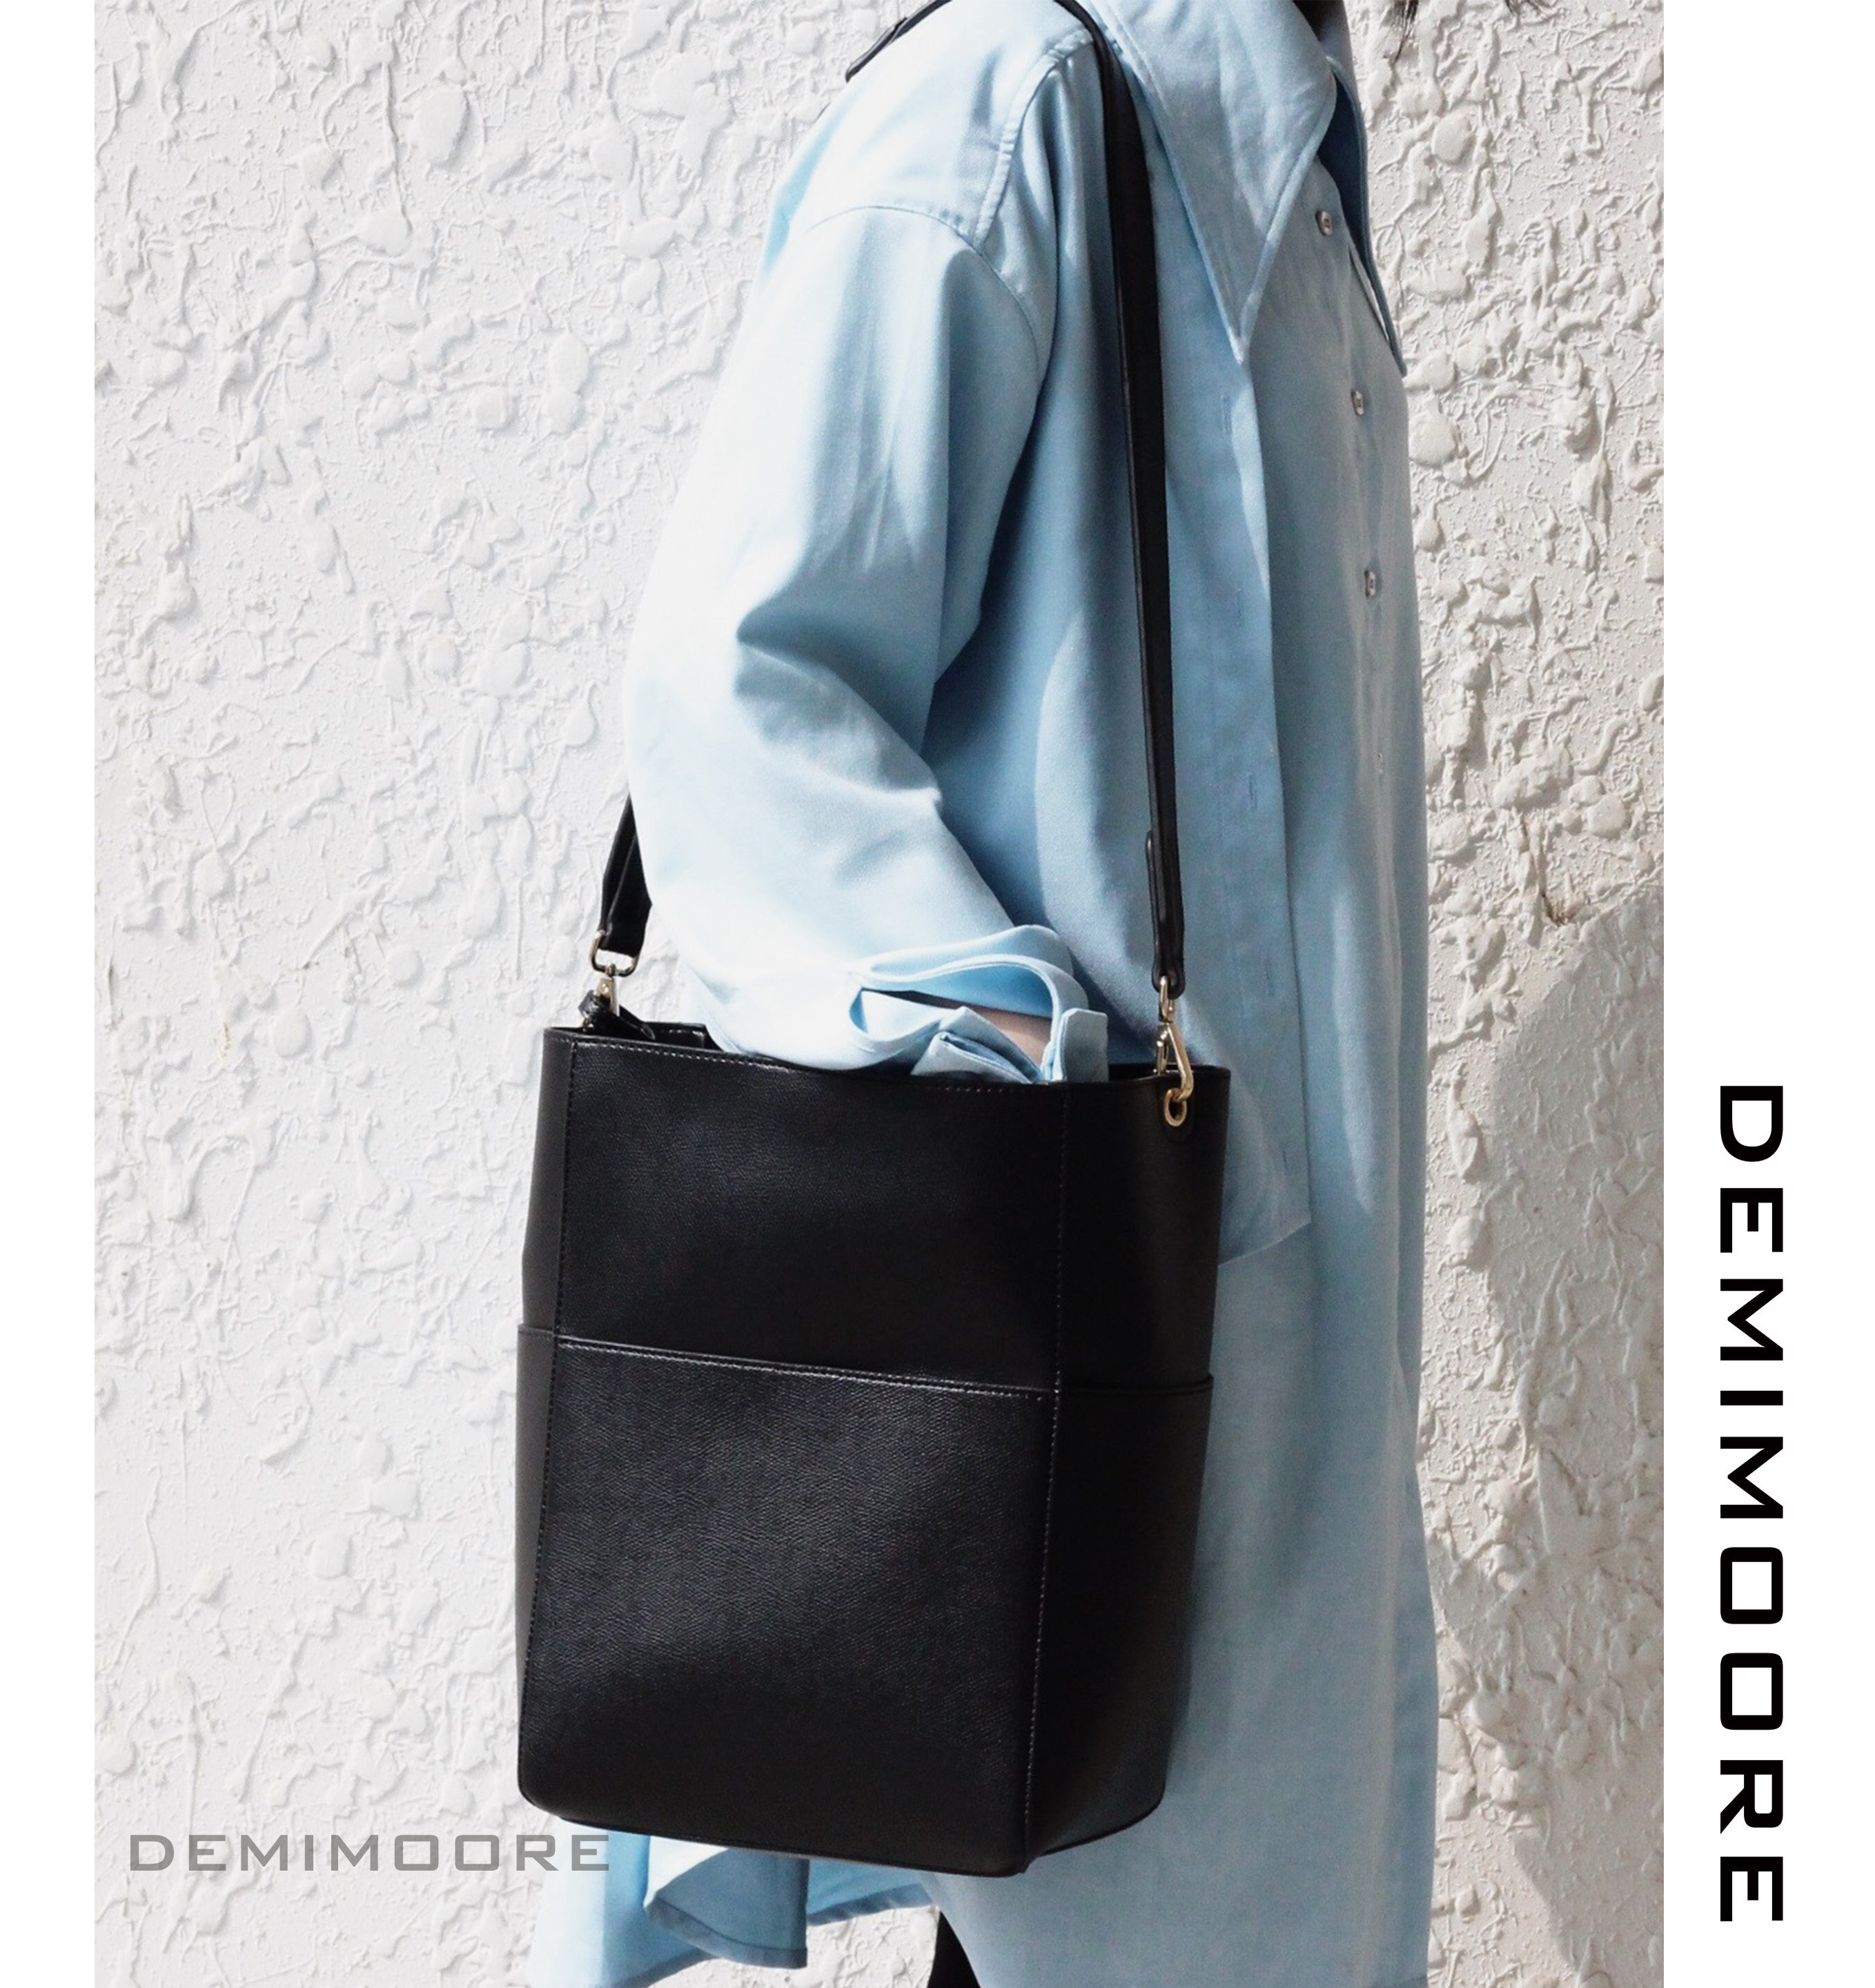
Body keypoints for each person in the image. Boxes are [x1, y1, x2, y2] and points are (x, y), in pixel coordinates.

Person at [527, 1, 1435, 1983]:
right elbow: (735, 687)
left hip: (1241, 1460)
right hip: (1074, 1420)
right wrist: (1024, 1101)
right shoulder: (1007, 119)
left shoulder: (1282, 179)